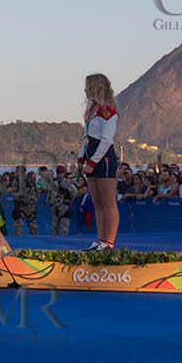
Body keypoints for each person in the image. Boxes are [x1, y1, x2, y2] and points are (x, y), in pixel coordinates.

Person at [78, 74, 120, 250]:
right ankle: (101, 239)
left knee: (108, 202)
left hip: (104, 158)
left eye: (88, 86)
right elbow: (86, 137)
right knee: (97, 202)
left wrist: (93, 162)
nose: (85, 90)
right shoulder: (91, 110)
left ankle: (109, 242)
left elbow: (106, 140)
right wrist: (81, 158)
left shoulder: (107, 111)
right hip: (91, 154)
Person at [9, 166, 39, 235]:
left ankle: (19, 242)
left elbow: (14, 194)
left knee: (19, 225)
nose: (15, 173)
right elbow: (37, 194)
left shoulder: (17, 181)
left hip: (22, 206)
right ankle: (36, 240)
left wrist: (23, 199)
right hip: (28, 206)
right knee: (31, 224)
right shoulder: (30, 180)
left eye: (16, 171)